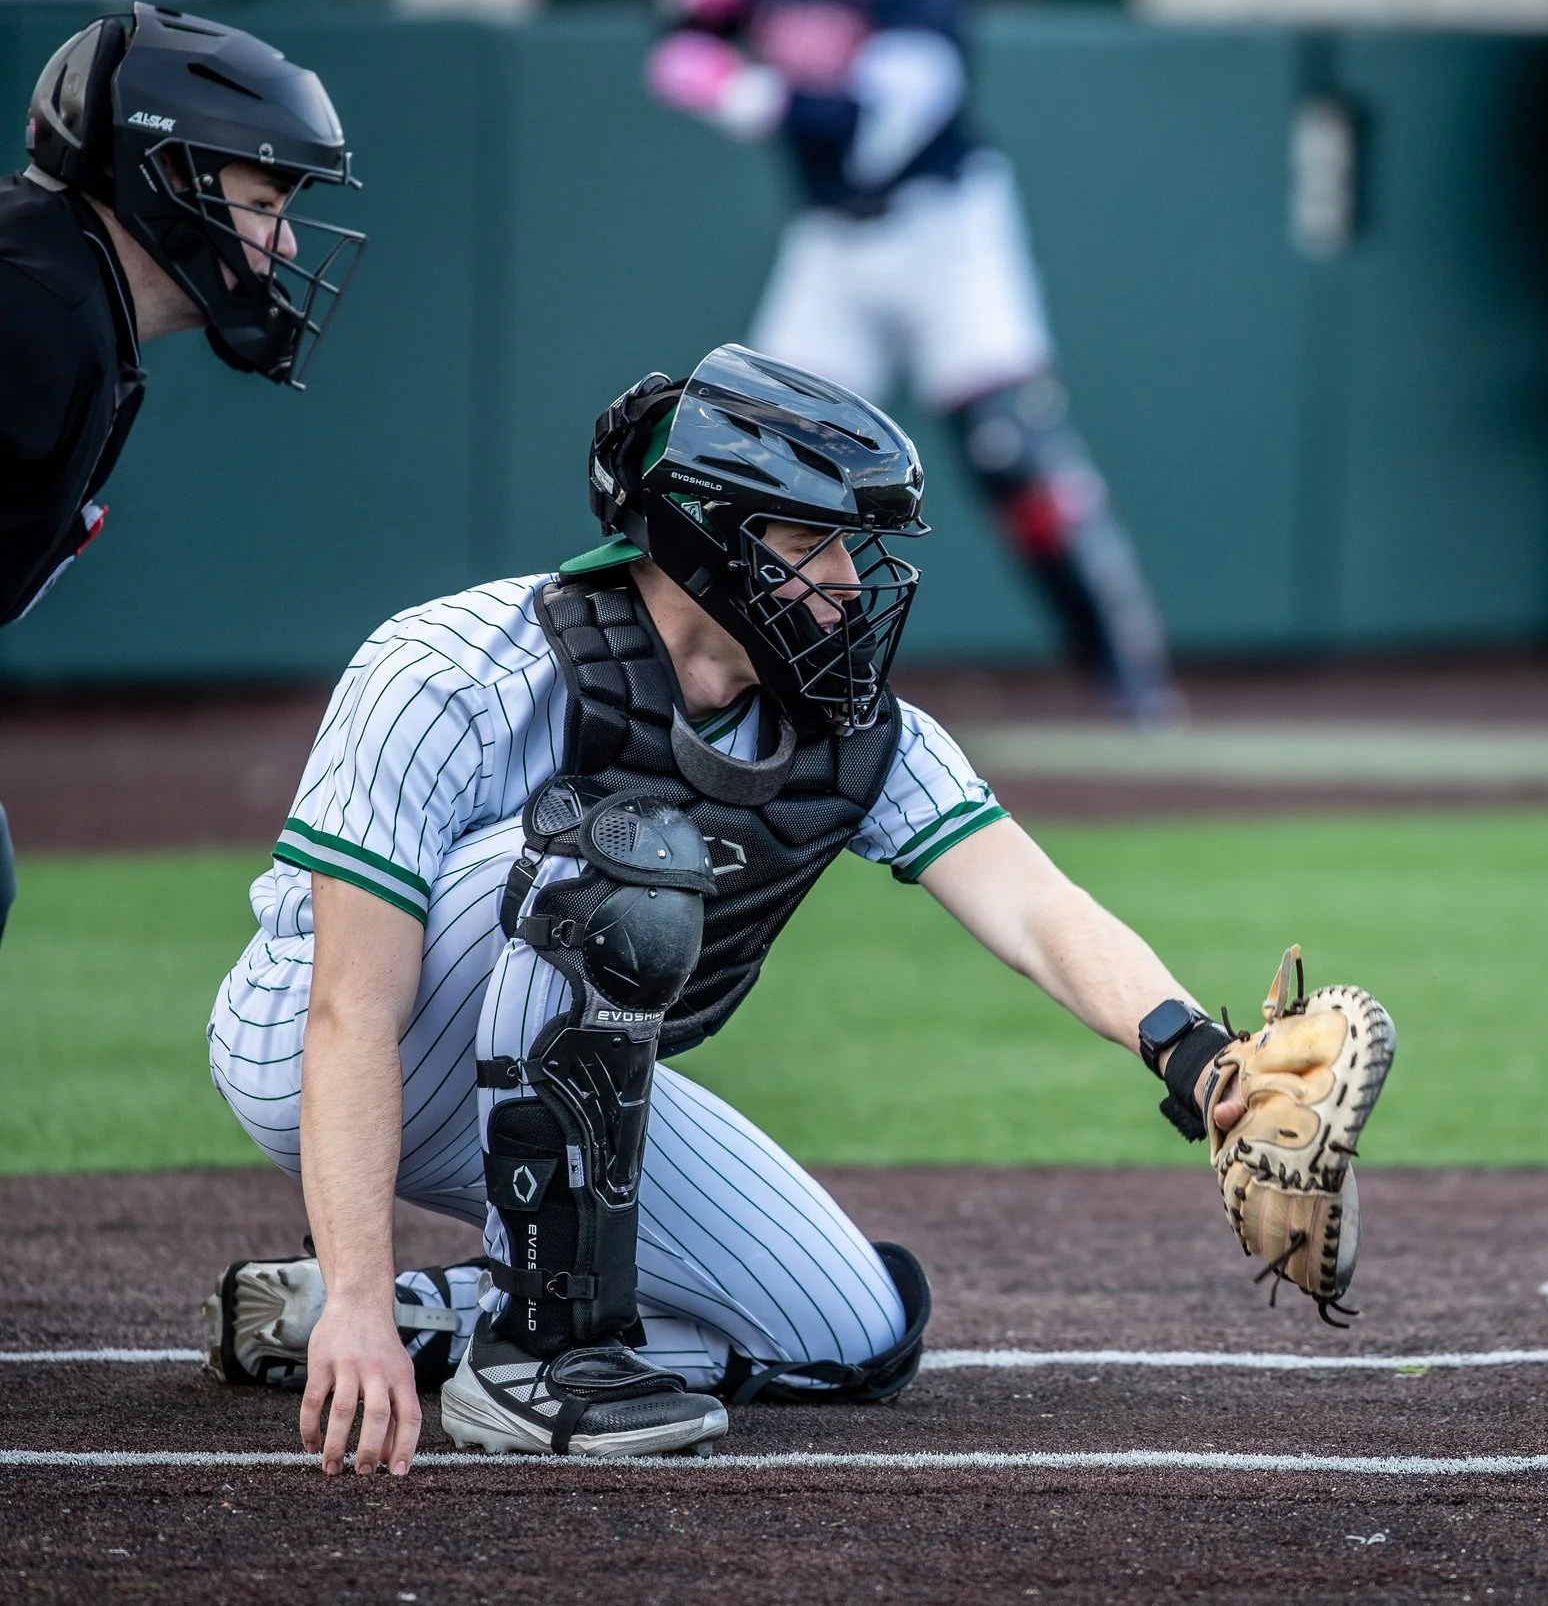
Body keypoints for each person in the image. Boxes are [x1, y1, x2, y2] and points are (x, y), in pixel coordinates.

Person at [199, 346, 1389, 1471]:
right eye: (813, 539)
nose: (845, 575)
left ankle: (414, 1315)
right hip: (320, 1045)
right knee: (620, 848)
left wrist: (1194, 1055)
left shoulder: (855, 728)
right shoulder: (453, 666)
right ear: (708, 540)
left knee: (849, 1334)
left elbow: (1035, 905)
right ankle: (524, 1357)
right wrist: (360, 1268)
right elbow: (352, 1006)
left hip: (538, 1074)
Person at [643, 0, 1180, 725]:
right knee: (755, 458)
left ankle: (1127, 673)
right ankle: (731, 668)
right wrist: (690, 13)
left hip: (944, 233)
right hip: (832, 243)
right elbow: (685, 42)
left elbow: (873, 133)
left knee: (1013, 451)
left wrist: (743, 90)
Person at [0, 2, 361, 944]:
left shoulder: (63, 293)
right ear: (167, 178)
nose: (284, 243)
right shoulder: (34, 309)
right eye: (264, 201)